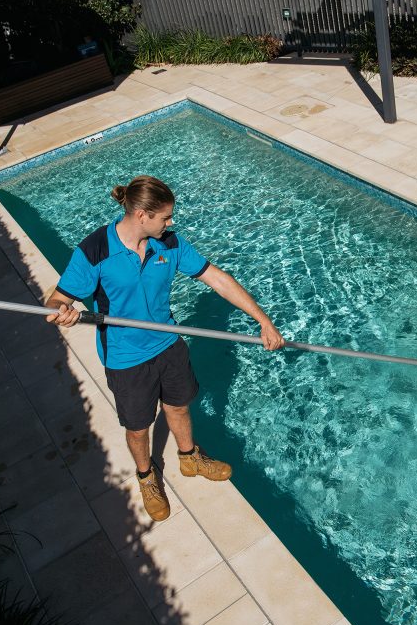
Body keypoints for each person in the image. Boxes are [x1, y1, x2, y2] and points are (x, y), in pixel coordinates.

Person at [45, 175, 284, 521]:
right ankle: (146, 478)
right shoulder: (94, 250)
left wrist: (263, 319)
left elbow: (216, 278)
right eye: (165, 217)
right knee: (138, 427)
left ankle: (189, 458)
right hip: (126, 357)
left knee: (179, 407)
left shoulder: (169, 244)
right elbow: (56, 300)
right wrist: (61, 313)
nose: (171, 223)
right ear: (142, 215)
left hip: (168, 343)